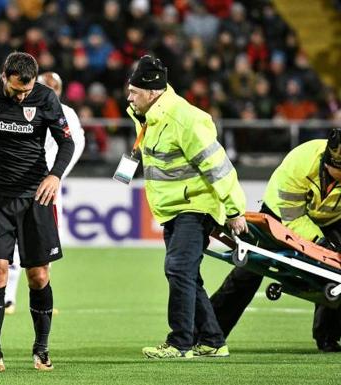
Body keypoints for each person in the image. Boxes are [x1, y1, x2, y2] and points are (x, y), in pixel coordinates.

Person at [0, 52, 74, 371]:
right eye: (17, 90)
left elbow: (67, 143)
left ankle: (41, 348)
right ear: (4, 75)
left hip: (36, 197)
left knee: (39, 275)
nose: (23, 96)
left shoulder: (45, 97)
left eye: (27, 90)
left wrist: (54, 175)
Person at [126, 55, 248, 359]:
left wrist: (234, 211)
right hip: (173, 208)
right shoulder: (149, 117)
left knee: (178, 269)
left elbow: (218, 167)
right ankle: (212, 340)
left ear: (153, 93)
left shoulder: (185, 119)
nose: (128, 97)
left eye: (134, 92)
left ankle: (180, 343)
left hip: (195, 205)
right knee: (188, 274)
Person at [210, 130, 341, 352]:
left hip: (331, 218)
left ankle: (328, 336)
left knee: (335, 271)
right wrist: (320, 244)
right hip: (278, 216)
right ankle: (207, 333)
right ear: (326, 162)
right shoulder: (301, 161)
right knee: (249, 269)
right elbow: (292, 217)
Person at [4, 71, 85, 315]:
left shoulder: (67, 113)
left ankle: (42, 296)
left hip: (48, 189)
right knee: (14, 244)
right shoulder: (21, 107)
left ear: (59, 91)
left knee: (45, 245)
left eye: (53, 87)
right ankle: (7, 296)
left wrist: (56, 175)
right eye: (45, 85)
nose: (49, 90)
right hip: (20, 186)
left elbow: (76, 145)